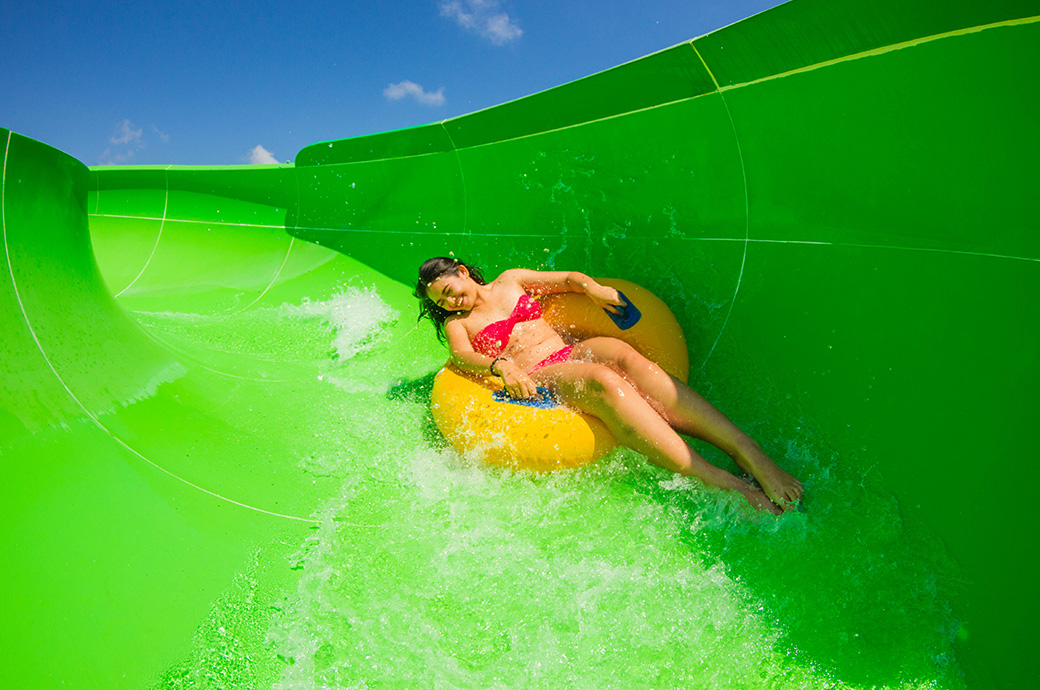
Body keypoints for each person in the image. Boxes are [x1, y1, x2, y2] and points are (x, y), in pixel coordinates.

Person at [415, 257, 803, 515]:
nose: (451, 302)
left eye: (449, 290)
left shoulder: (510, 281)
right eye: (443, 302)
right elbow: (463, 357)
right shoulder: (458, 325)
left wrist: (592, 288)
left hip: (569, 351)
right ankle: (720, 480)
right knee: (602, 381)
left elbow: (565, 279)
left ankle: (746, 451)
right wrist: (501, 365)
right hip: (544, 376)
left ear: (462, 271)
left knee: (620, 353)